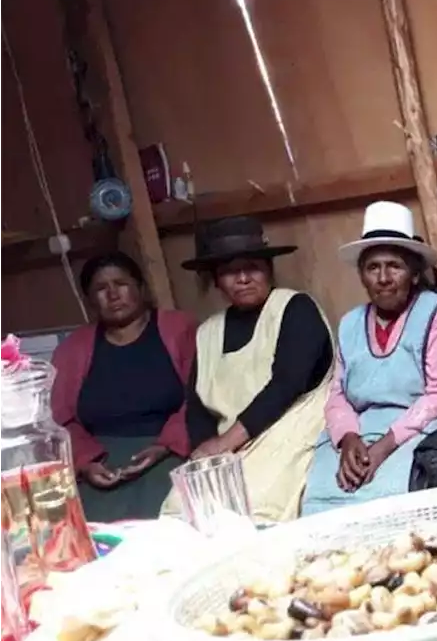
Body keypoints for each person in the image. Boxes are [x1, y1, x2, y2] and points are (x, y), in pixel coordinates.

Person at [169, 216, 333, 522]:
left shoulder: (295, 309)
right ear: (215, 279)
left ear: (269, 269)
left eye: (252, 267)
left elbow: (286, 384)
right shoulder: (208, 332)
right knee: (180, 511)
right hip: (227, 450)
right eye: (230, 271)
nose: (243, 278)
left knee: (255, 509)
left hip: (287, 435)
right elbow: (197, 407)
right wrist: (206, 451)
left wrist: (225, 443)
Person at [301, 203, 437, 515]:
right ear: (362, 275)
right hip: (357, 430)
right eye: (373, 268)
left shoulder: (436, 313)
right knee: (322, 501)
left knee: (389, 504)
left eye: (394, 266)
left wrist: (385, 446)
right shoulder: (349, 323)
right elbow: (338, 394)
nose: (383, 277)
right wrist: (347, 438)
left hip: (416, 430)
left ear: (414, 274)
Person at [50, 252, 196, 521]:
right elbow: (60, 418)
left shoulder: (180, 329)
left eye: (121, 284)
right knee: (91, 535)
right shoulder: (72, 349)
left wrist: (165, 446)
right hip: (102, 462)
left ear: (140, 287)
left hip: (171, 452)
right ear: (90, 300)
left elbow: (199, 397)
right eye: (101, 289)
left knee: (165, 526)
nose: (113, 294)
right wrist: (85, 463)